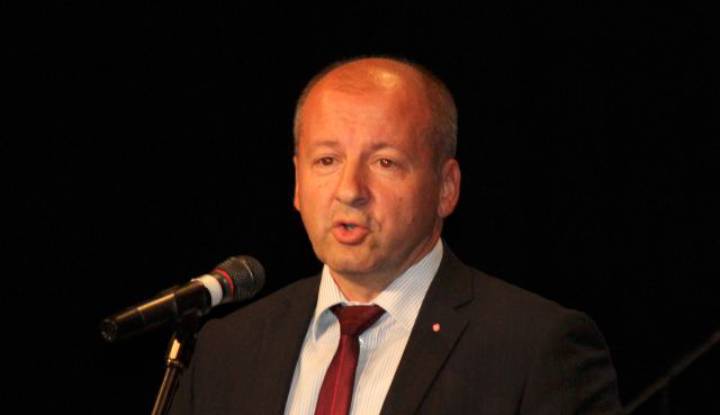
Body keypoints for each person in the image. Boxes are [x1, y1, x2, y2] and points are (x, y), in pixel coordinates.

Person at [169, 56, 622, 414]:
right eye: (327, 160)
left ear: (446, 188)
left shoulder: (535, 349)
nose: (349, 190)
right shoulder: (226, 351)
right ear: (297, 184)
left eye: (385, 162)